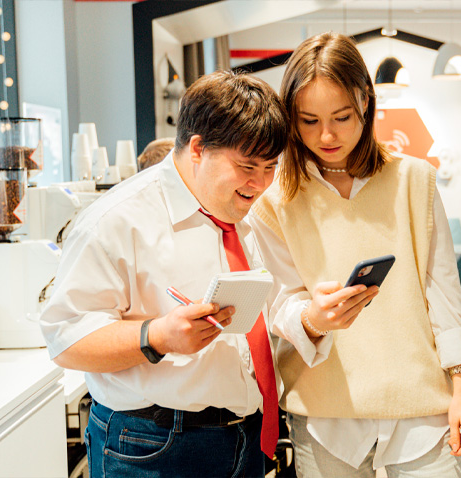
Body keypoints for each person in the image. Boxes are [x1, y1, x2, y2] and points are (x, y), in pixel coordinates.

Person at [250, 32, 461, 478]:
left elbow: (444, 295)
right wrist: (315, 318)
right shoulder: (275, 199)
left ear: (366, 103)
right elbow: (280, 303)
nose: (328, 135)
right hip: (325, 414)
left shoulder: (415, 181)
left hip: (421, 409)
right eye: (309, 120)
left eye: (341, 116)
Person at [40, 70, 288, 478]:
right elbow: (66, 339)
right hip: (154, 446)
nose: (260, 183)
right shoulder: (116, 220)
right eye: (247, 166)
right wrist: (156, 336)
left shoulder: (241, 210)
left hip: (244, 439)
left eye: (270, 167)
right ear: (197, 148)